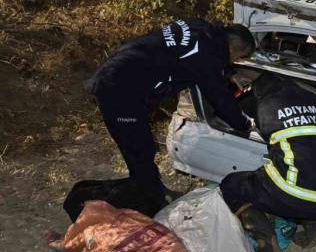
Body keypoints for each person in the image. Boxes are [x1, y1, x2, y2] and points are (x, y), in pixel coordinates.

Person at [88, 19, 255, 205]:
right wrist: (245, 124)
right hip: (118, 88)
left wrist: (229, 74)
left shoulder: (202, 29)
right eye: (239, 57)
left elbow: (195, 59)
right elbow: (219, 97)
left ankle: (151, 190)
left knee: (142, 146)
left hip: (123, 73)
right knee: (138, 147)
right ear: (234, 48)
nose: (236, 61)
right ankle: (148, 200)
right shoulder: (205, 53)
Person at [220, 73, 316, 252]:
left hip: (293, 193)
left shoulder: (267, 106)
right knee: (305, 174)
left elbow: (249, 128)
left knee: (232, 185)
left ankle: (268, 249)